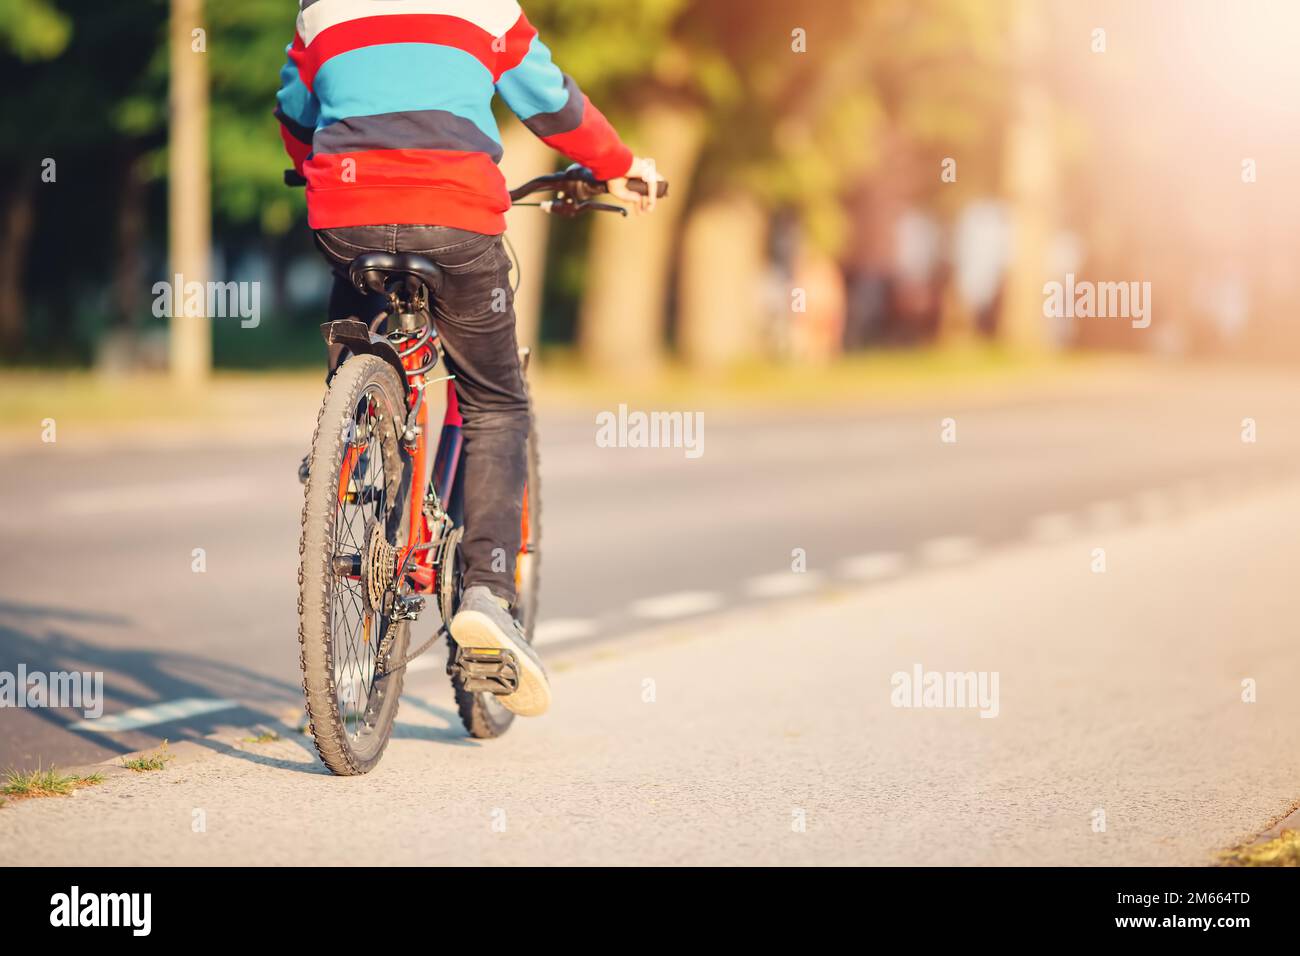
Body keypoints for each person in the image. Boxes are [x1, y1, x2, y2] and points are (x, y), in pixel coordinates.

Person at [275, 0, 660, 718]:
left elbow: (296, 116)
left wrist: (312, 166)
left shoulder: (319, 10)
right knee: (495, 403)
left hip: (347, 216)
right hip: (454, 217)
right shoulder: (485, 7)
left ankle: (351, 446)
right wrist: (618, 166)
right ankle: (486, 590)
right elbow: (553, 105)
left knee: (357, 315)